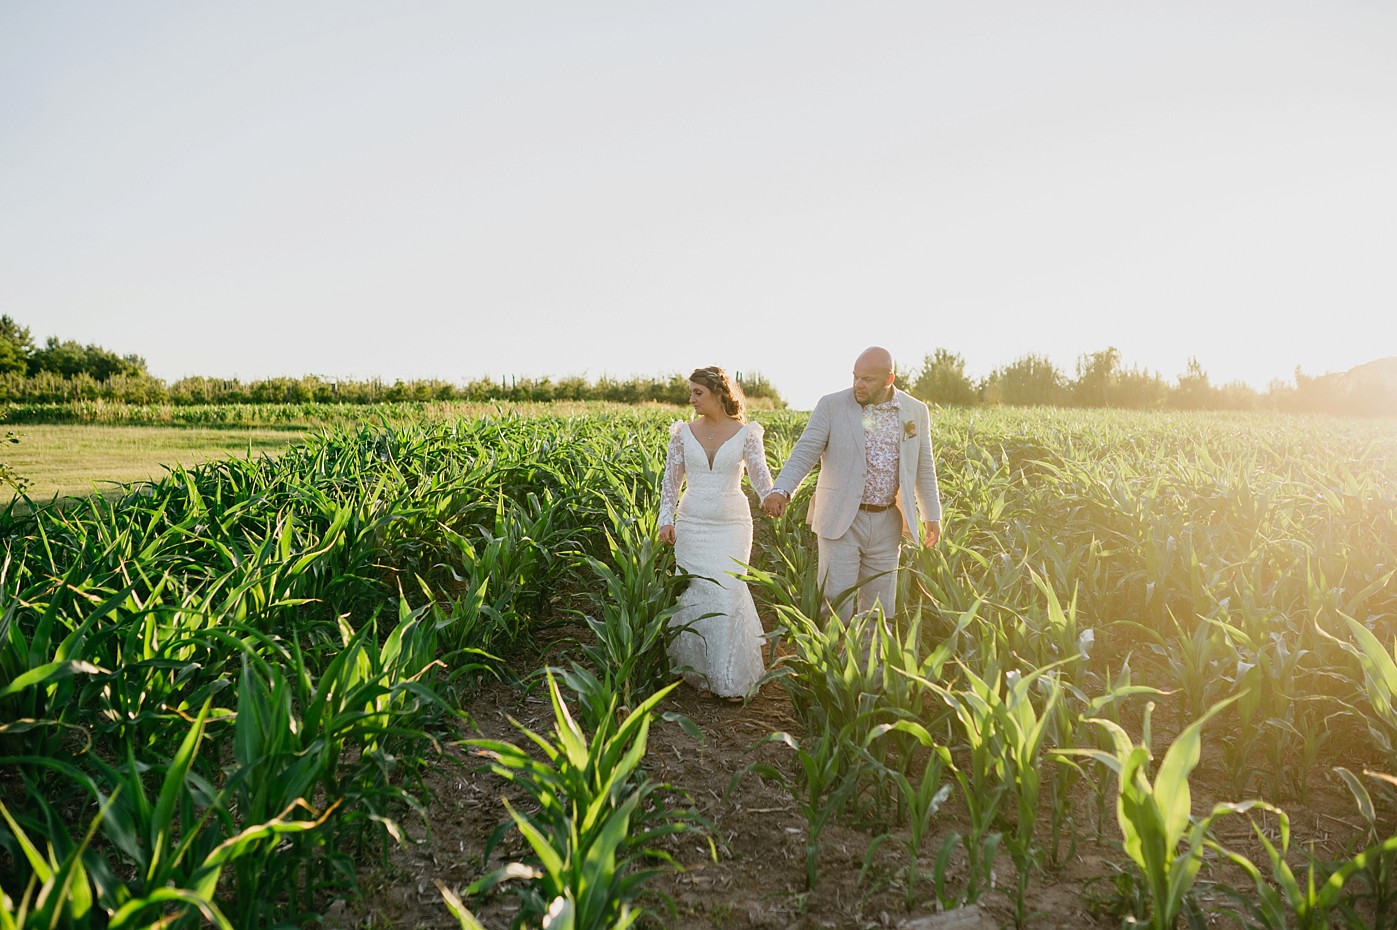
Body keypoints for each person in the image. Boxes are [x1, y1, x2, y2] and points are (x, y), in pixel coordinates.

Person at [761, 346, 941, 624]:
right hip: (841, 518)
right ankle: (831, 664)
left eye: (867, 379)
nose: (858, 384)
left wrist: (932, 515)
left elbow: (924, 466)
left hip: (887, 522)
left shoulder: (915, 411)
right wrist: (781, 490)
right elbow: (805, 451)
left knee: (880, 612)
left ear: (889, 379)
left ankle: (871, 667)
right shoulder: (831, 405)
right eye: (855, 377)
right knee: (836, 605)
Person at [658, 366, 775, 699]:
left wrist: (773, 498)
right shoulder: (681, 433)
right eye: (691, 392)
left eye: (698, 392)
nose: (691, 399)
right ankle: (697, 675)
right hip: (692, 523)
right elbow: (670, 483)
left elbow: (760, 476)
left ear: (719, 394)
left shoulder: (746, 433)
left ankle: (726, 677)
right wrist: (665, 520)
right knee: (695, 593)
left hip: (732, 525)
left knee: (725, 591)